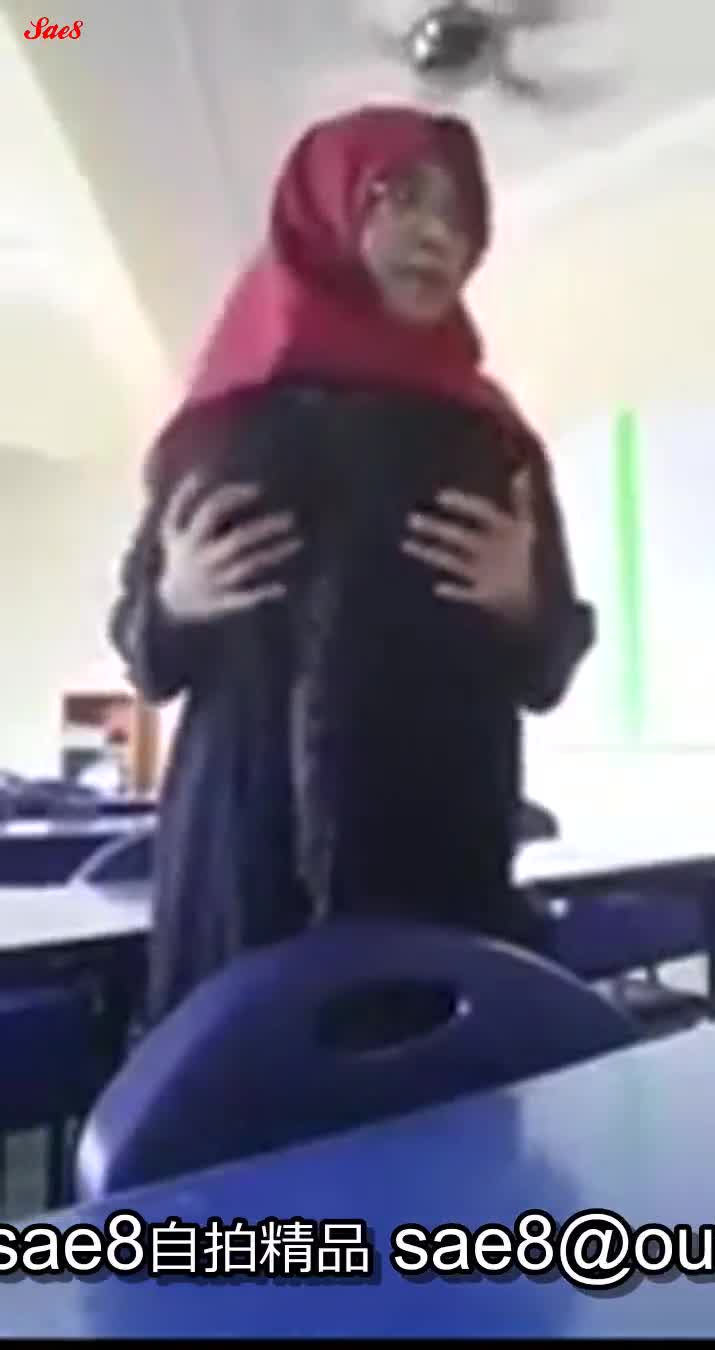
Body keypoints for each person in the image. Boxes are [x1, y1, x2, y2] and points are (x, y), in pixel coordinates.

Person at [110, 105, 594, 1025]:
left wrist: (525, 605)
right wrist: (171, 602)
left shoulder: (491, 440)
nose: (436, 233)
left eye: (459, 214)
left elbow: (549, 665)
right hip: (241, 855)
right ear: (325, 211)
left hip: (439, 848)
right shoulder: (224, 425)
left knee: (437, 1086)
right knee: (233, 1092)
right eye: (401, 197)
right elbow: (145, 656)